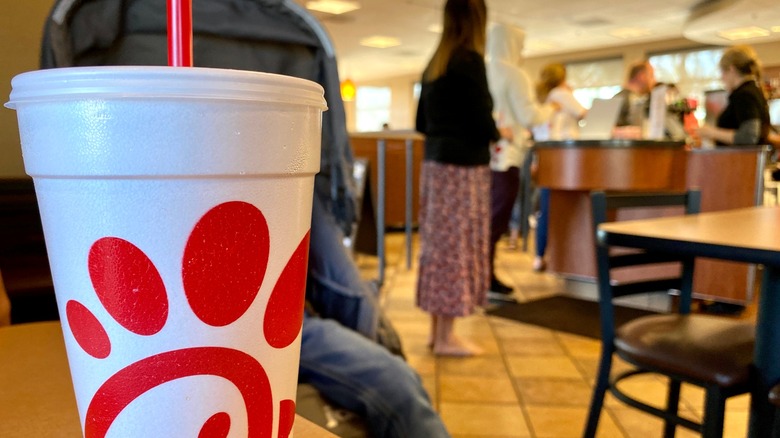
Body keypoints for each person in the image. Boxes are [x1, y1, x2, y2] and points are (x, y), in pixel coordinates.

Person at [39, 1, 450, 436]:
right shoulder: (118, 183)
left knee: (397, 381)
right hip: (188, 333)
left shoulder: (285, 188)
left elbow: (339, 283)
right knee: (396, 382)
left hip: (280, 327)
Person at [415, 0, 503, 356]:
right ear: (477, 20)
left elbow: (422, 124)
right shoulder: (469, 61)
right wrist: (500, 132)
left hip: (436, 167)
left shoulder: (433, 66)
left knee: (439, 247)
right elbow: (482, 121)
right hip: (464, 169)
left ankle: (437, 333)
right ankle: (447, 338)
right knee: (457, 247)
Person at [485, 23, 556, 298]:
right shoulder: (514, 75)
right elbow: (529, 117)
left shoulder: (483, 70)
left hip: (485, 157)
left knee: (487, 219)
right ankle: (486, 278)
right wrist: (551, 108)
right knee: (496, 220)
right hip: (507, 157)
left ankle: (483, 275)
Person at [531, 63, 587, 272]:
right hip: (564, 158)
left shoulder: (541, 98)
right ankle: (567, 258)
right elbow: (583, 114)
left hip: (545, 156)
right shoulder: (561, 93)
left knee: (545, 208)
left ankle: (539, 255)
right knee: (565, 208)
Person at [696, 44, 771, 147]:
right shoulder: (754, 91)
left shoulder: (744, 95)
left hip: (742, 161)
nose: (722, 78)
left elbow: (749, 137)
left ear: (731, 70)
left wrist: (711, 132)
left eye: (722, 72)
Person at [613, 60, 656, 127]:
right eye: (651, 76)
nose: (654, 80)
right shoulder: (620, 99)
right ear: (641, 76)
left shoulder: (642, 99)